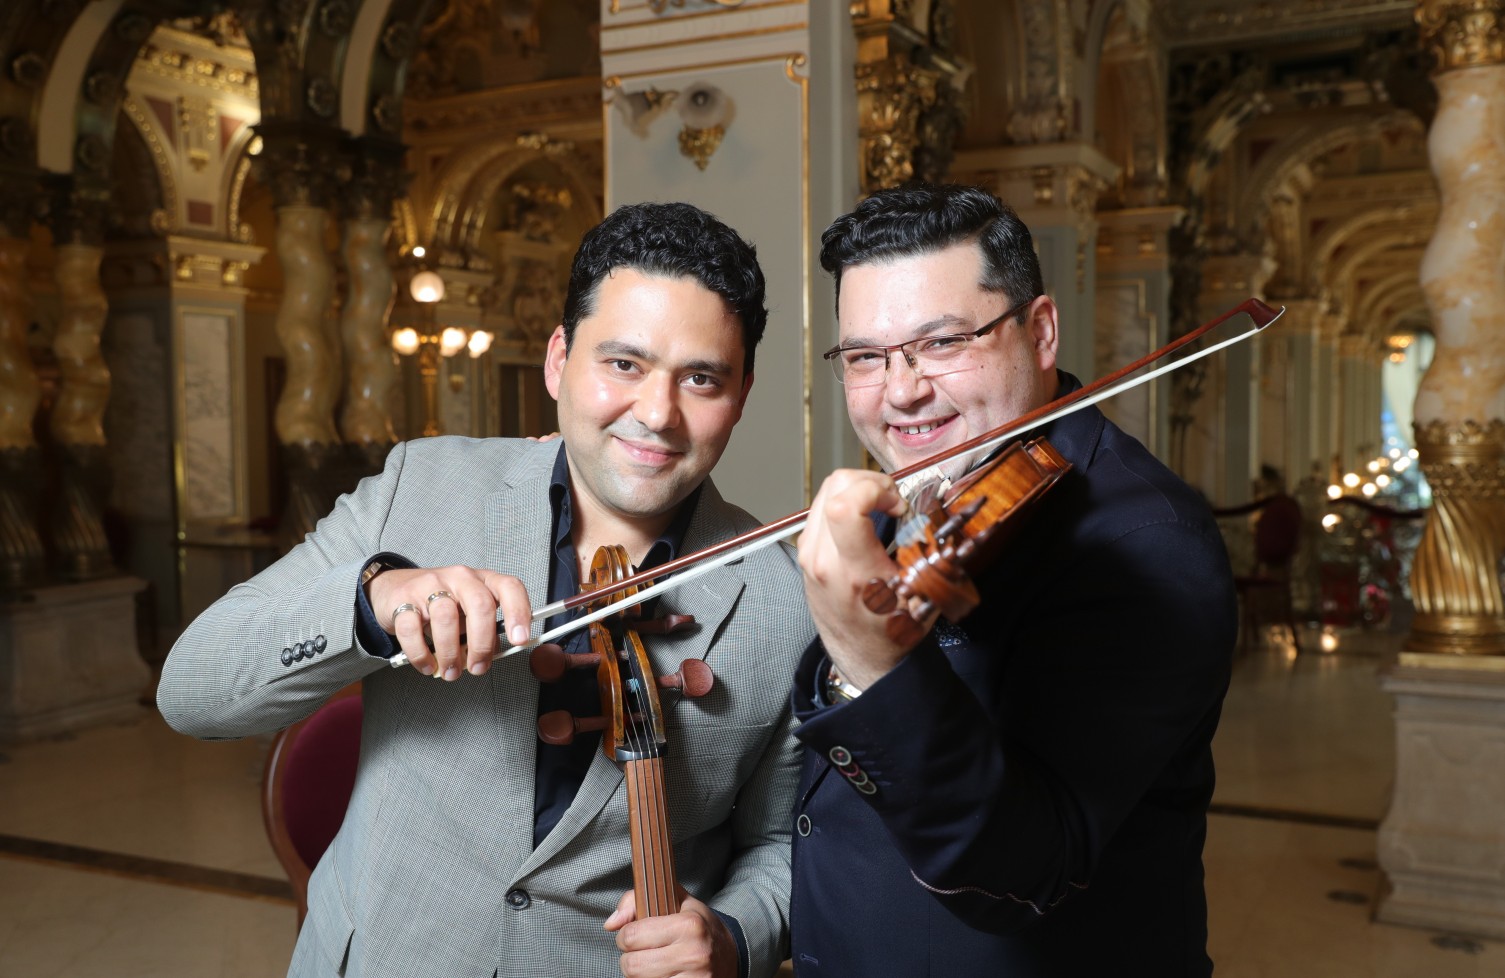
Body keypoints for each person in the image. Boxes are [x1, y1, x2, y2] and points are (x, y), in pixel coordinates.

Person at [158, 201, 814, 978]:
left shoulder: (787, 600)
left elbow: (781, 844)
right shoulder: (417, 488)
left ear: (741, 394)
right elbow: (193, 691)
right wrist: (371, 602)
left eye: (700, 378)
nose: (656, 413)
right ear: (558, 360)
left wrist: (733, 933)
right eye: (623, 364)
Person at [789, 184, 1237, 976]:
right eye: (864, 356)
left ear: (1040, 331)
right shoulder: (926, 496)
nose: (901, 391)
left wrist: (873, 661)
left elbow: (1026, 871)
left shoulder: (1151, 545)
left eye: (941, 342)